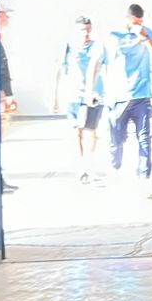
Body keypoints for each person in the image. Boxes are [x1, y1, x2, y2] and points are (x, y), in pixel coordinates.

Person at [89, 3, 152, 184]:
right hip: (117, 98)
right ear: (127, 19)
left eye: (140, 21)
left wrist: (146, 38)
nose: (138, 24)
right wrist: (91, 91)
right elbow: (95, 64)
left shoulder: (147, 33)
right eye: (135, 21)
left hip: (141, 96)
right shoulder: (112, 37)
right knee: (116, 141)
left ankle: (143, 178)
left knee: (144, 139)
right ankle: (115, 170)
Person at [53, 16, 103, 183]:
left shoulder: (97, 47)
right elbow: (59, 71)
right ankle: (81, 167)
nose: (86, 33)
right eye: (82, 30)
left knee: (91, 131)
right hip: (74, 95)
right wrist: (55, 98)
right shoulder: (68, 48)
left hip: (93, 95)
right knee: (77, 132)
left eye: (88, 30)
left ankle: (90, 164)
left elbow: (104, 68)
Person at [0, 8, 18, 194]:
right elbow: (1, 69)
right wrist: (7, 94)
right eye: (5, 14)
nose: (7, 18)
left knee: (1, 138)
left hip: (0, 95)